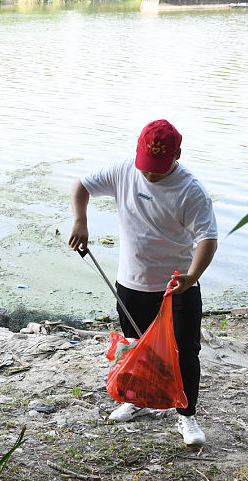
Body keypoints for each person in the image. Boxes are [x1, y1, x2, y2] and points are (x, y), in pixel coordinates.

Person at [69, 119, 219, 447]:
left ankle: (186, 415)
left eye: (157, 168)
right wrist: (81, 220)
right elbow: (81, 185)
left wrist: (192, 276)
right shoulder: (125, 171)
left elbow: (207, 239)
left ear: (177, 154)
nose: (149, 174)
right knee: (136, 346)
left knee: (184, 353)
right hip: (132, 283)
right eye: (146, 166)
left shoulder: (191, 190)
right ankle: (137, 400)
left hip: (176, 288)